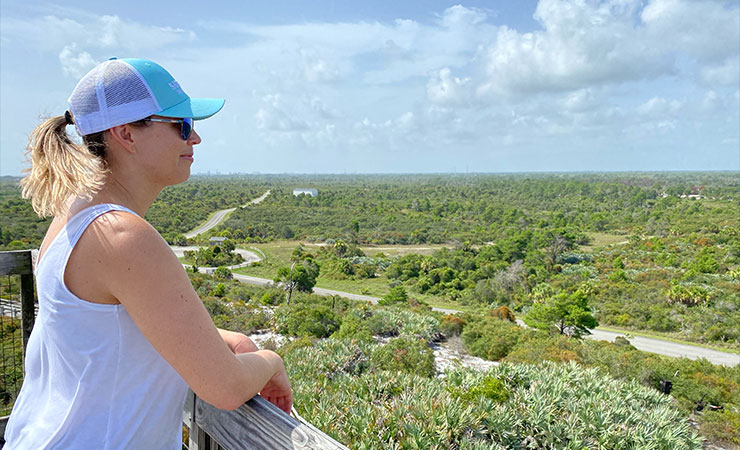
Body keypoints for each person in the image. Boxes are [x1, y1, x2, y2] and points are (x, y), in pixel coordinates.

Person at [3, 57, 292, 449]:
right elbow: (224, 387)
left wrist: (226, 340)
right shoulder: (122, 236)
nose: (195, 139)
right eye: (182, 125)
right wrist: (271, 361)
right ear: (126, 134)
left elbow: (106, 330)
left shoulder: (73, 214)